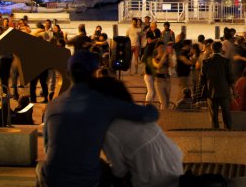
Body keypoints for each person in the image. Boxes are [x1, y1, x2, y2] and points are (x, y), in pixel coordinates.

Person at [37, 50, 159, 187]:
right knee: (111, 169)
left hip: (53, 178)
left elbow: (48, 148)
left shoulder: (52, 106)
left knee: (42, 168)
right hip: (86, 179)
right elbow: (150, 114)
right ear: (94, 74)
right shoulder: (102, 103)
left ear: (68, 74)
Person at [93, 75, 183, 187]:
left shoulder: (110, 130)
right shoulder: (142, 118)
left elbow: (119, 171)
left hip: (151, 182)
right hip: (175, 174)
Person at [199, 40, 234, 130]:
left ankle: (215, 132)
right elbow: (230, 78)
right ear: (221, 49)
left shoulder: (206, 62)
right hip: (224, 91)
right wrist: (233, 90)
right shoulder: (226, 61)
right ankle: (228, 130)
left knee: (213, 115)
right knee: (226, 113)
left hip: (211, 91)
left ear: (211, 49)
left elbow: (202, 78)